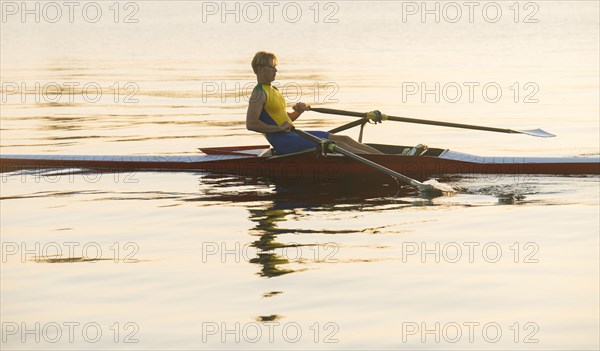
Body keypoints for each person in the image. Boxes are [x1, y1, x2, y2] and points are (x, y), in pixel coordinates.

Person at [246, 51, 383, 155]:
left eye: (275, 67)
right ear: (261, 69)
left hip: (293, 135)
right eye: (272, 67)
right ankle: (385, 163)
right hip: (284, 142)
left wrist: (298, 112)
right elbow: (251, 124)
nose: (276, 70)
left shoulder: (273, 90)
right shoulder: (258, 93)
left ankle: (386, 157)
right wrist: (279, 129)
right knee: (338, 144)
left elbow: (285, 120)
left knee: (344, 139)